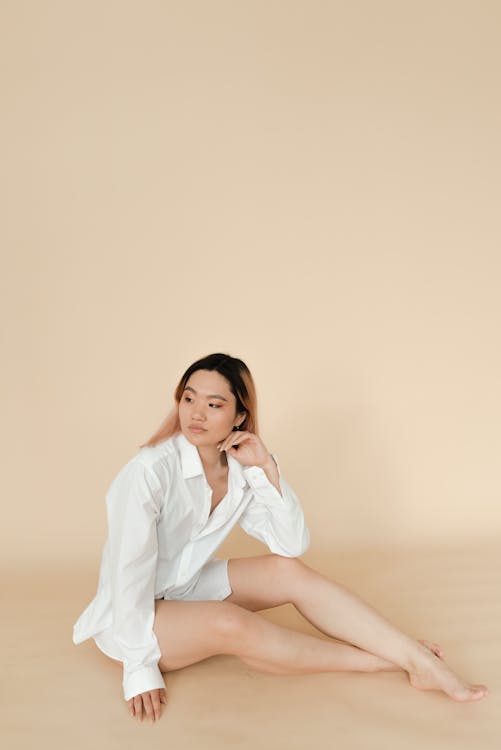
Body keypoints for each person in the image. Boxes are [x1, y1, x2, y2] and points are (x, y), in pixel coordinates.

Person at [72, 352, 488, 723]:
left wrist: (265, 469)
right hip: (134, 616)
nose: (195, 414)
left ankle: (414, 659)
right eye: (189, 399)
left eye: (213, 404)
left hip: (186, 587)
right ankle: (382, 661)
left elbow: (290, 545)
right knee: (232, 623)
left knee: (286, 571)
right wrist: (139, 667)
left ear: (239, 415)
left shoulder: (239, 465)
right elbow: (130, 570)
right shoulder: (150, 470)